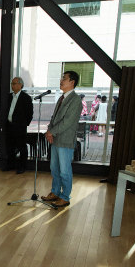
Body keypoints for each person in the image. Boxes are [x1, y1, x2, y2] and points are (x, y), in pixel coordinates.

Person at [41, 70, 82, 208]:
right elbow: (54, 118)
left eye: (64, 78)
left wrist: (51, 132)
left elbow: (67, 121)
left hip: (65, 140)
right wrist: (49, 130)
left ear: (72, 82)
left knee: (65, 171)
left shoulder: (75, 100)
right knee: (54, 169)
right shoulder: (61, 98)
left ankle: (65, 197)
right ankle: (55, 192)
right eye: (61, 78)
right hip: (55, 139)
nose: (61, 81)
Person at [2, 76, 33, 174]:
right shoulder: (8, 97)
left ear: (20, 85)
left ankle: (22, 166)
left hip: (20, 127)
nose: (12, 85)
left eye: (14, 83)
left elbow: (29, 114)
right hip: (9, 126)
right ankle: (10, 165)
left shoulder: (26, 98)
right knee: (10, 147)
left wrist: (24, 124)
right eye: (12, 83)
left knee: (21, 147)